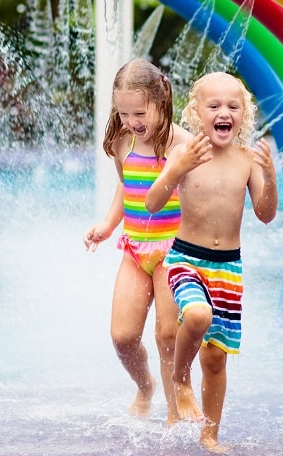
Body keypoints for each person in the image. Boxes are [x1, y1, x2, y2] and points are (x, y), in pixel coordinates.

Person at [144, 71, 278, 452]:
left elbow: (265, 214)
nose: (224, 112)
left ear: (244, 115)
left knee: (217, 359)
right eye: (214, 105)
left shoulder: (247, 160)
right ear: (196, 112)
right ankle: (180, 378)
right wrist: (177, 168)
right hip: (187, 258)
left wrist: (270, 176)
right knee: (198, 317)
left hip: (228, 268)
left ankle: (210, 433)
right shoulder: (186, 151)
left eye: (233, 106)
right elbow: (152, 204)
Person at [83, 58, 193, 424]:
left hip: (173, 251)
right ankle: (145, 386)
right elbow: (125, 185)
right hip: (134, 250)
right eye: (123, 113)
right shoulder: (122, 142)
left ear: (161, 100)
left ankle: (175, 413)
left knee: (167, 333)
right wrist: (108, 224)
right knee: (123, 337)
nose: (131, 122)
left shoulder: (183, 145)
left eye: (139, 112)